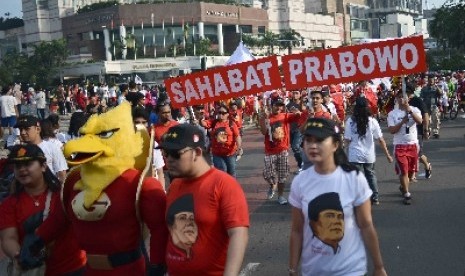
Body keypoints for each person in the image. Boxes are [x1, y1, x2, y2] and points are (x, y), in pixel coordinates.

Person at [288, 117, 387, 276]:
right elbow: (297, 231)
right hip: (313, 271)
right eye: (308, 140)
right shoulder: (300, 182)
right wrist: (292, 269)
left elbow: (366, 225)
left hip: (350, 269)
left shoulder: (353, 178)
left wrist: (378, 266)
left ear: (335, 145)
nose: (313, 146)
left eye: (319, 140)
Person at [158, 124, 249, 275]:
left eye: (175, 153)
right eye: (165, 153)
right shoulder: (175, 186)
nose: (168, 159)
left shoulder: (224, 184)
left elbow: (239, 234)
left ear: (197, 152)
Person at [0, 144, 86, 275]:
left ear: (44, 166)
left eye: (28, 164)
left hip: (73, 268)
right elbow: (8, 238)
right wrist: (19, 255)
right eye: (18, 166)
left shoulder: (65, 194)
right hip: (37, 271)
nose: (22, 169)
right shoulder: (9, 204)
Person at [344, 97, 393, 205]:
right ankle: (375, 197)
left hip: (354, 155)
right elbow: (380, 139)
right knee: (371, 175)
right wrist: (388, 155)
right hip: (369, 155)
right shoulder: (372, 121)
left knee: (356, 177)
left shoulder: (350, 122)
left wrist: (341, 152)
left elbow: (347, 140)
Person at [259, 96, 307, 205]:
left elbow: (300, 117)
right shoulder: (266, 117)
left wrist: (299, 112)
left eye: (281, 106)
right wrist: (264, 119)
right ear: (272, 106)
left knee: (282, 175)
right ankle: (272, 185)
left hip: (283, 150)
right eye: (276, 105)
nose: (278, 108)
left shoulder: (285, 116)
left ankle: (280, 196)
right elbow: (263, 132)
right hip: (270, 151)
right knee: (267, 174)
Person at [387, 91, 422, 205]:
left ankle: (404, 186)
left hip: (412, 144)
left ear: (408, 98)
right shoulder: (392, 114)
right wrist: (402, 122)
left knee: (411, 174)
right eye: (399, 97)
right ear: (396, 99)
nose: (402, 99)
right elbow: (392, 130)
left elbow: (420, 121)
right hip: (399, 145)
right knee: (403, 171)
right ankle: (407, 194)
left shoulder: (414, 109)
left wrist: (409, 111)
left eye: (404, 97)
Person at [16, 115, 68, 184]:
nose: (22, 132)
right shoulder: (21, 150)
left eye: (27, 129)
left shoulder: (52, 147)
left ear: (38, 129)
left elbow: (62, 174)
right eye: (20, 129)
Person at [201, 104, 241, 177]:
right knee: (222, 172)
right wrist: (200, 118)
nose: (221, 115)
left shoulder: (231, 124)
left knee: (231, 173)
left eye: (223, 113)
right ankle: (224, 187)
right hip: (217, 154)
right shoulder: (214, 122)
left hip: (230, 153)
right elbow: (203, 124)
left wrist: (238, 148)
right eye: (219, 113)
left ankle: (232, 187)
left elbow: (237, 136)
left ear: (227, 114)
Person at [406, 85, 432, 180]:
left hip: (418, 131)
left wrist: (426, 129)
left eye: (404, 93)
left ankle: (413, 174)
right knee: (411, 154)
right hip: (406, 131)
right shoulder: (403, 102)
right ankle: (426, 166)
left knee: (417, 154)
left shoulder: (417, 101)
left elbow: (425, 115)